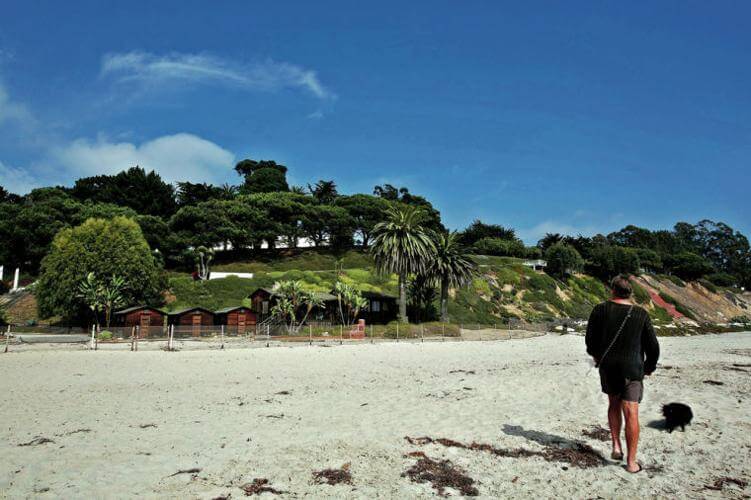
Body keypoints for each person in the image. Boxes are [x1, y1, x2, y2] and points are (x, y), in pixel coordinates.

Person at [585, 274, 660, 473]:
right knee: (631, 413)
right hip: (632, 368)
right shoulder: (641, 314)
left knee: (613, 404)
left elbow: (590, 341)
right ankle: (631, 462)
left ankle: (616, 444)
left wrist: (598, 357)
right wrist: (649, 367)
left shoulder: (600, 310)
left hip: (609, 366)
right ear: (631, 292)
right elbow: (653, 347)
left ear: (612, 290)